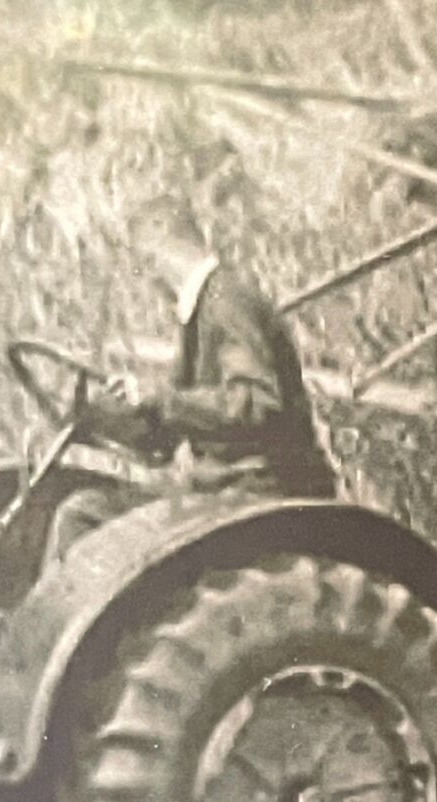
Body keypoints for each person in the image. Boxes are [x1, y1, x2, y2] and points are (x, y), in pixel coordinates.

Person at [48, 195, 336, 563]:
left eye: (145, 262)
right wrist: (101, 418)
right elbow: (170, 439)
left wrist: (160, 397)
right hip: (227, 489)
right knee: (87, 509)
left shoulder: (227, 301)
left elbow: (257, 404)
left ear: (162, 241)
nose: (148, 276)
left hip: (262, 491)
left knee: (83, 517)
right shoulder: (201, 311)